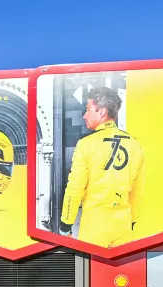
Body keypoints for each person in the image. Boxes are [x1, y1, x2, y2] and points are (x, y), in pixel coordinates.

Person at [59, 85, 144, 248]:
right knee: (121, 273)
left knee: (90, 273)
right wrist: (131, 222)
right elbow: (137, 191)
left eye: (88, 109)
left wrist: (65, 225)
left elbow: (75, 188)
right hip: (124, 229)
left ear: (102, 112)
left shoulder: (86, 144)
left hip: (94, 230)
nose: (84, 115)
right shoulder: (135, 145)